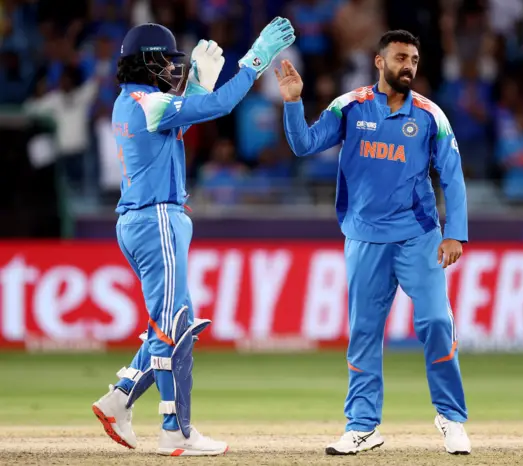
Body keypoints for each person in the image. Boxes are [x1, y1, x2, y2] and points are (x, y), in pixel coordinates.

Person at [91, 19, 295, 456]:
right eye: (164, 59)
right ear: (146, 61)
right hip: (157, 219)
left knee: (170, 321)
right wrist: (255, 59)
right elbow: (218, 107)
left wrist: (197, 86)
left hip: (140, 220)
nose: (171, 67)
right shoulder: (150, 103)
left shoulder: (131, 103)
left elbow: (177, 126)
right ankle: (176, 430)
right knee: (173, 329)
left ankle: (120, 399)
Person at [276, 30, 471, 455]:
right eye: (401, 57)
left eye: (415, 60)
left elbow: (452, 176)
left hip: (419, 236)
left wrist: (455, 231)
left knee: (437, 322)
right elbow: (303, 143)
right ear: (380, 61)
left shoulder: (430, 115)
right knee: (364, 333)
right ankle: (363, 426)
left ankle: (451, 418)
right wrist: (293, 102)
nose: (409, 66)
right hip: (364, 237)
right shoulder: (350, 106)